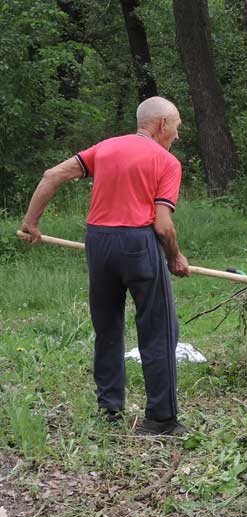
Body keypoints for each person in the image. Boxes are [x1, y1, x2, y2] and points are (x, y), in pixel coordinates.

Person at [18, 96, 192, 436]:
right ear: (161, 125)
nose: (177, 135)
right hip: (138, 244)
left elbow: (52, 175)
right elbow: (163, 225)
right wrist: (174, 257)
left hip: (98, 243)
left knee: (108, 329)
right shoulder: (166, 161)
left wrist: (31, 224)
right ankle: (161, 420)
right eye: (177, 127)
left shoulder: (107, 148)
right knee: (159, 330)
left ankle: (109, 411)